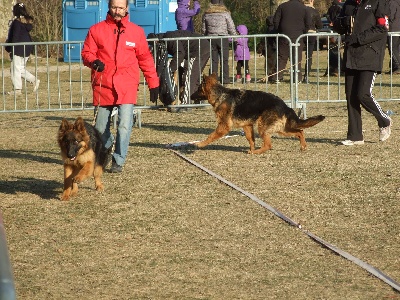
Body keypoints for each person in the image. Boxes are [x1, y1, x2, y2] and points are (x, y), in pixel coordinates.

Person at [81, 0, 159, 173]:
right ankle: (107, 145)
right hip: (103, 84)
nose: (117, 11)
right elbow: (87, 53)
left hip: (127, 85)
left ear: (126, 9)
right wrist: (94, 62)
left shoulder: (136, 32)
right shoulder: (96, 30)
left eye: (121, 8)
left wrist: (153, 83)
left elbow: (145, 59)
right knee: (100, 129)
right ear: (109, 8)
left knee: (124, 125)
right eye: (114, 7)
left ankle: (119, 160)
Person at [333, 0, 392, 145]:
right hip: (351, 57)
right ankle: (355, 136)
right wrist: (343, 23)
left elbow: (382, 27)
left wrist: (358, 38)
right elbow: (337, 25)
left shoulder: (378, 3)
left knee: (363, 94)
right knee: (351, 96)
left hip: (370, 55)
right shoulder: (348, 4)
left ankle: (384, 120)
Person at [147, 30, 210, 105]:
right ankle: (198, 100)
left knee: (188, 77)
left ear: (156, 42)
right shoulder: (167, 38)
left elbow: (180, 53)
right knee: (195, 76)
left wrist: (170, 70)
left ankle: (185, 104)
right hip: (203, 47)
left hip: (198, 50)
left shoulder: (169, 38)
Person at [4, 2, 40, 96]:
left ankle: (17, 90)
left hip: (19, 47)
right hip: (27, 47)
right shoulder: (25, 23)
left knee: (15, 68)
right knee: (20, 68)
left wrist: (10, 48)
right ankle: (34, 80)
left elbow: (14, 37)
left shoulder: (17, 23)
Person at [273, 0, 312, 82]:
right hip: (298, 35)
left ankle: (277, 77)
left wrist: (279, 31)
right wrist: (303, 32)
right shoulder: (304, 8)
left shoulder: (282, 6)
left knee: (282, 57)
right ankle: (297, 78)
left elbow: (276, 21)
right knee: (296, 58)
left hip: (284, 35)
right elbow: (308, 23)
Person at [202, 0, 237, 85]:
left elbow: (203, 29)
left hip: (211, 38)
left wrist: (204, 37)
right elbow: (231, 27)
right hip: (222, 38)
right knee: (224, 60)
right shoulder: (225, 14)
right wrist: (235, 37)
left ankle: (213, 80)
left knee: (214, 60)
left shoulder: (206, 14)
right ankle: (225, 80)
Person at [303, 0, 323, 83]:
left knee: (296, 55)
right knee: (309, 56)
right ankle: (306, 75)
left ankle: (296, 75)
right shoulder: (314, 11)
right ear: (311, 1)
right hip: (311, 34)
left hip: (301, 33)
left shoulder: (300, 10)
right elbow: (320, 25)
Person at [386, 0, 400, 74]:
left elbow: (390, 15)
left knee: (392, 48)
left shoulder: (392, 2)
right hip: (398, 28)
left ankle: (397, 66)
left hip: (393, 28)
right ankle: (394, 67)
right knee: (396, 48)